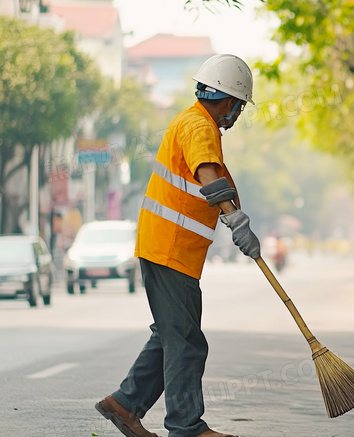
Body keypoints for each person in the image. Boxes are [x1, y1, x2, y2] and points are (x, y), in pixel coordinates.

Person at [95, 54, 261, 437]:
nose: (236, 116)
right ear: (231, 101)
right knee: (186, 341)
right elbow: (207, 173)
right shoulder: (199, 126)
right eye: (239, 107)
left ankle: (126, 402)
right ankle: (186, 427)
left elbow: (211, 183)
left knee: (172, 334)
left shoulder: (192, 123)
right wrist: (235, 219)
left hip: (171, 251)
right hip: (170, 251)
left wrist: (236, 216)